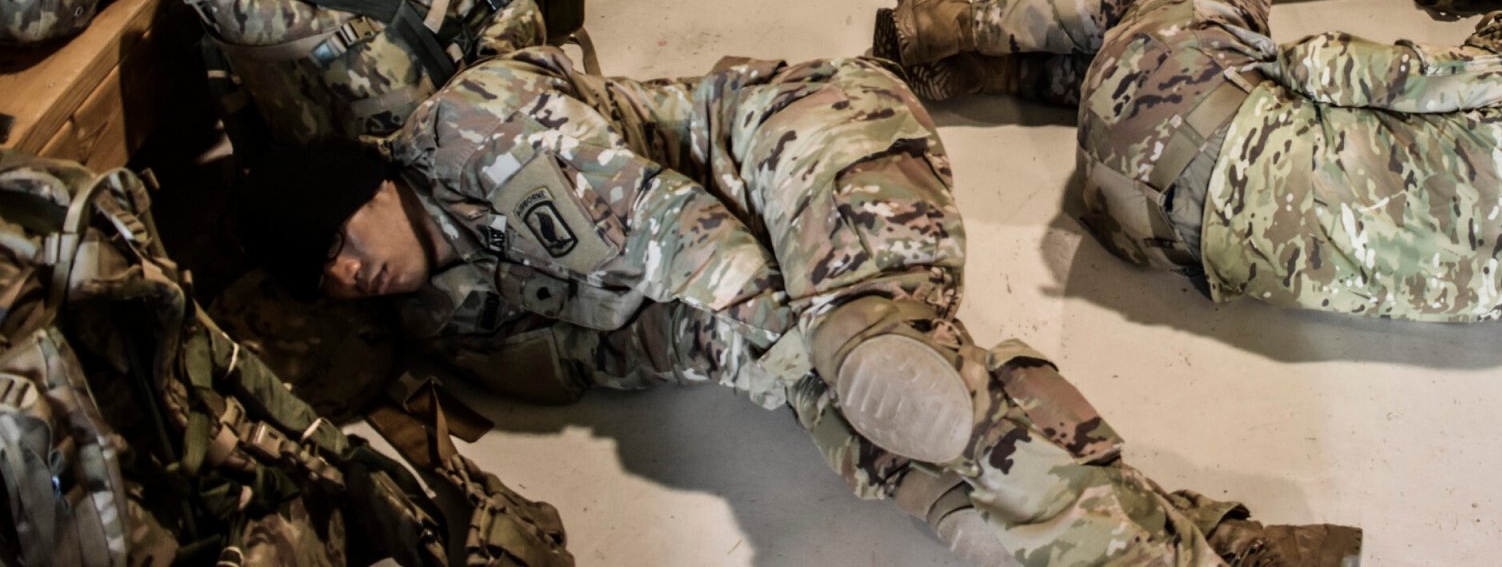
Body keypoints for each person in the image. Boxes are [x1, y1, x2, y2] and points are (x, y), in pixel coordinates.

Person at [237, 47, 1360, 567]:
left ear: (371, 184)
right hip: (729, 286)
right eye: (323, 278)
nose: (346, 273)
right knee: (896, 442)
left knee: (870, 349)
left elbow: (670, 228)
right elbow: (641, 338)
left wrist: (801, 355)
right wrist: (796, 385)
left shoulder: (474, 127)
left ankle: (878, 352)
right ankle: (1212, 542)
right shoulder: (451, 316)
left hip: (795, 139)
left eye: (339, 239)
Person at [870, 0, 1502, 322]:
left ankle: (954, 24)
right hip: (1148, 231)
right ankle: (990, 73)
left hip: (1165, 127)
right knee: (1193, 78)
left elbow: (1323, 65)